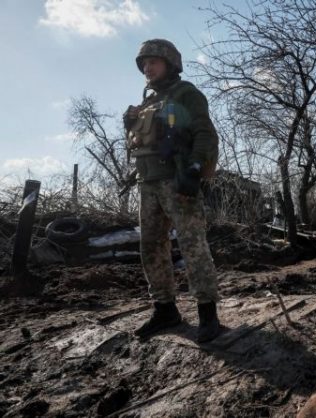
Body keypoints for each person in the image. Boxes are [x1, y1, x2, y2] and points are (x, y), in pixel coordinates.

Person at [123, 39, 220, 342]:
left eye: (153, 62)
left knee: (192, 244)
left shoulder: (186, 94)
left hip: (176, 180)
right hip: (147, 183)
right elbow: (142, 143)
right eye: (144, 64)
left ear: (170, 64)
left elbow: (205, 132)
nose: (147, 69)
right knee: (151, 247)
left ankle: (208, 314)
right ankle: (165, 309)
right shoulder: (148, 102)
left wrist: (194, 168)